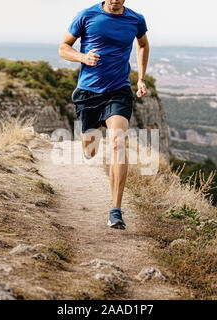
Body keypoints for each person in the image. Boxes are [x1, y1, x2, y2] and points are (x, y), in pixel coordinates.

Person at [58, 0, 150, 229]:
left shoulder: (135, 19)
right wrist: (83, 57)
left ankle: (116, 210)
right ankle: (91, 141)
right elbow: (63, 47)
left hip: (118, 91)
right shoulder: (87, 15)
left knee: (119, 141)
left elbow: (143, 45)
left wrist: (140, 78)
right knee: (90, 149)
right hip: (88, 93)